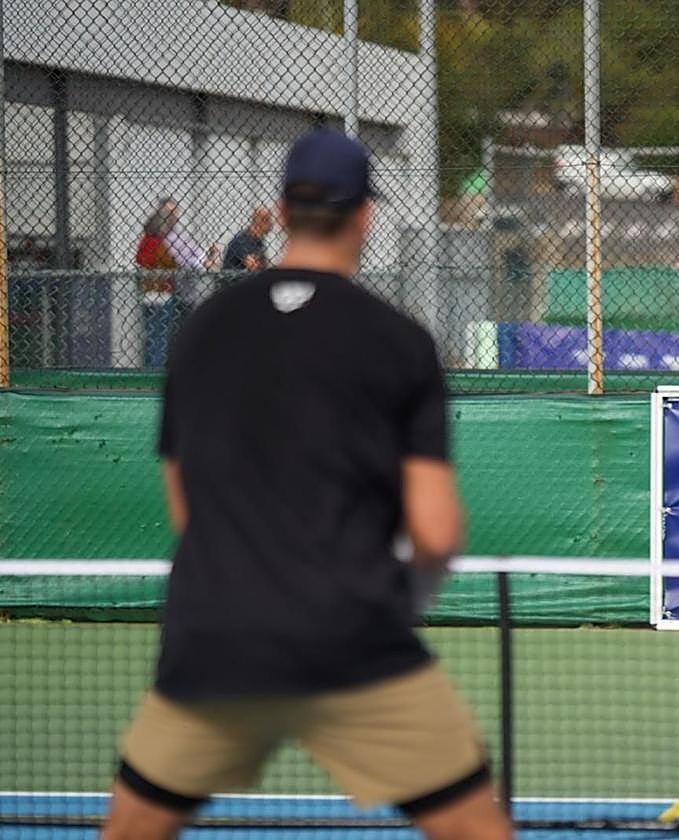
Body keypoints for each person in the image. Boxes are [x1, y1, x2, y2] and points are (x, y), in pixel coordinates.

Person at [101, 129, 512, 840]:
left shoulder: (201, 331)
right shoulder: (400, 341)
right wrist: (396, 603)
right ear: (366, 216)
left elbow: (186, 506)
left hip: (215, 643)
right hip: (354, 638)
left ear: (283, 211)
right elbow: (436, 531)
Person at [134, 204, 180, 367]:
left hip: (147, 293)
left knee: (150, 335)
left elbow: (140, 260)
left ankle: (150, 367)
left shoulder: (144, 242)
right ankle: (157, 368)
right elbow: (172, 263)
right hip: (162, 294)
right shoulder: (159, 244)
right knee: (161, 336)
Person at [221, 206, 274, 272]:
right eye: (268, 220)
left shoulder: (258, 241)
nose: (272, 224)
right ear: (260, 222)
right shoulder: (242, 241)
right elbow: (254, 267)